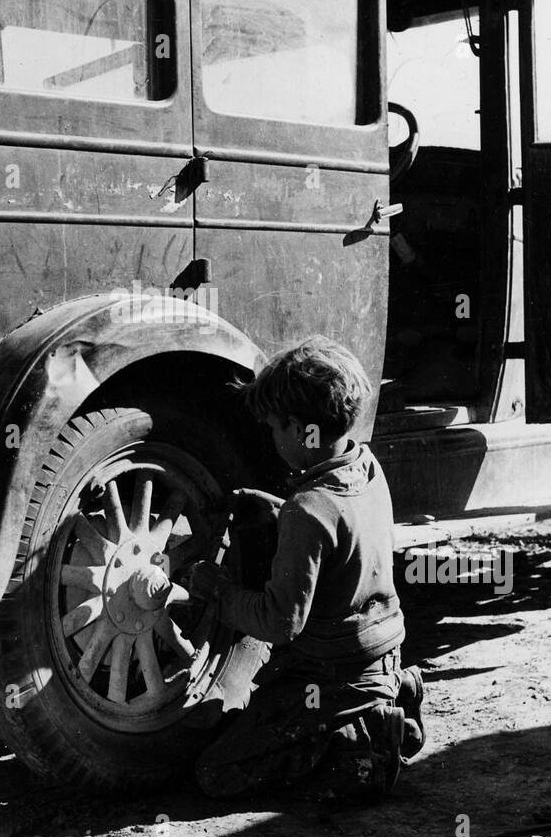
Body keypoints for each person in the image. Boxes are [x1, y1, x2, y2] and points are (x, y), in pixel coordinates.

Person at [181, 334, 425, 799]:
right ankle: (393, 690)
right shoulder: (365, 467)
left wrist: (218, 590)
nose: (272, 438)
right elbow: (338, 530)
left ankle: (364, 738)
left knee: (219, 771)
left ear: (300, 431)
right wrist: (271, 507)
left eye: (274, 428)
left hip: (336, 671)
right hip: (378, 646)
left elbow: (280, 622)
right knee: (253, 717)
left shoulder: (307, 511)